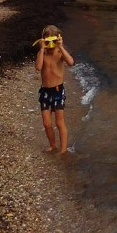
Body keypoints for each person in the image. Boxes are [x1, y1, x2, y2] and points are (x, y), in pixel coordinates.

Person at [35, 24, 75, 154]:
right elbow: (38, 67)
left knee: (59, 122)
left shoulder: (59, 52)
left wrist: (61, 47)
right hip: (45, 91)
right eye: (48, 41)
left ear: (58, 39)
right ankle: (53, 145)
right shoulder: (43, 53)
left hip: (58, 90)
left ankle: (63, 150)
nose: (51, 44)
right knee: (47, 123)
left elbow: (71, 62)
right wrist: (41, 49)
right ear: (43, 40)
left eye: (53, 41)